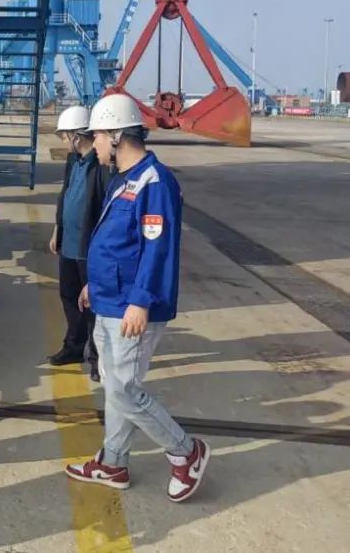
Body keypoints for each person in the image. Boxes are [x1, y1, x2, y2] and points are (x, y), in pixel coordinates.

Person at [64, 93, 210, 502]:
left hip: (132, 306)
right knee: (115, 386)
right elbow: (116, 242)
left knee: (124, 390)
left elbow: (157, 248)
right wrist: (94, 285)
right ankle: (113, 461)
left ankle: (186, 452)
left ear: (116, 135)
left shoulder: (155, 183)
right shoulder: (123, 178)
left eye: (97, 136)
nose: (93, 144)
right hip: (110, 300)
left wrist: (141, 300)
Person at [48, 105, 108, 381]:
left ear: (76, 135)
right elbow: (65, 194)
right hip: (69, 244)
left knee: (92, 305)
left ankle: (97, 359)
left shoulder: (102, 165)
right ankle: (74, 346)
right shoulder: (73, 160)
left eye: (65, 135)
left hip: (88, 247)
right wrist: (57, 230)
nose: (63, 140)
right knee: (69, 297)